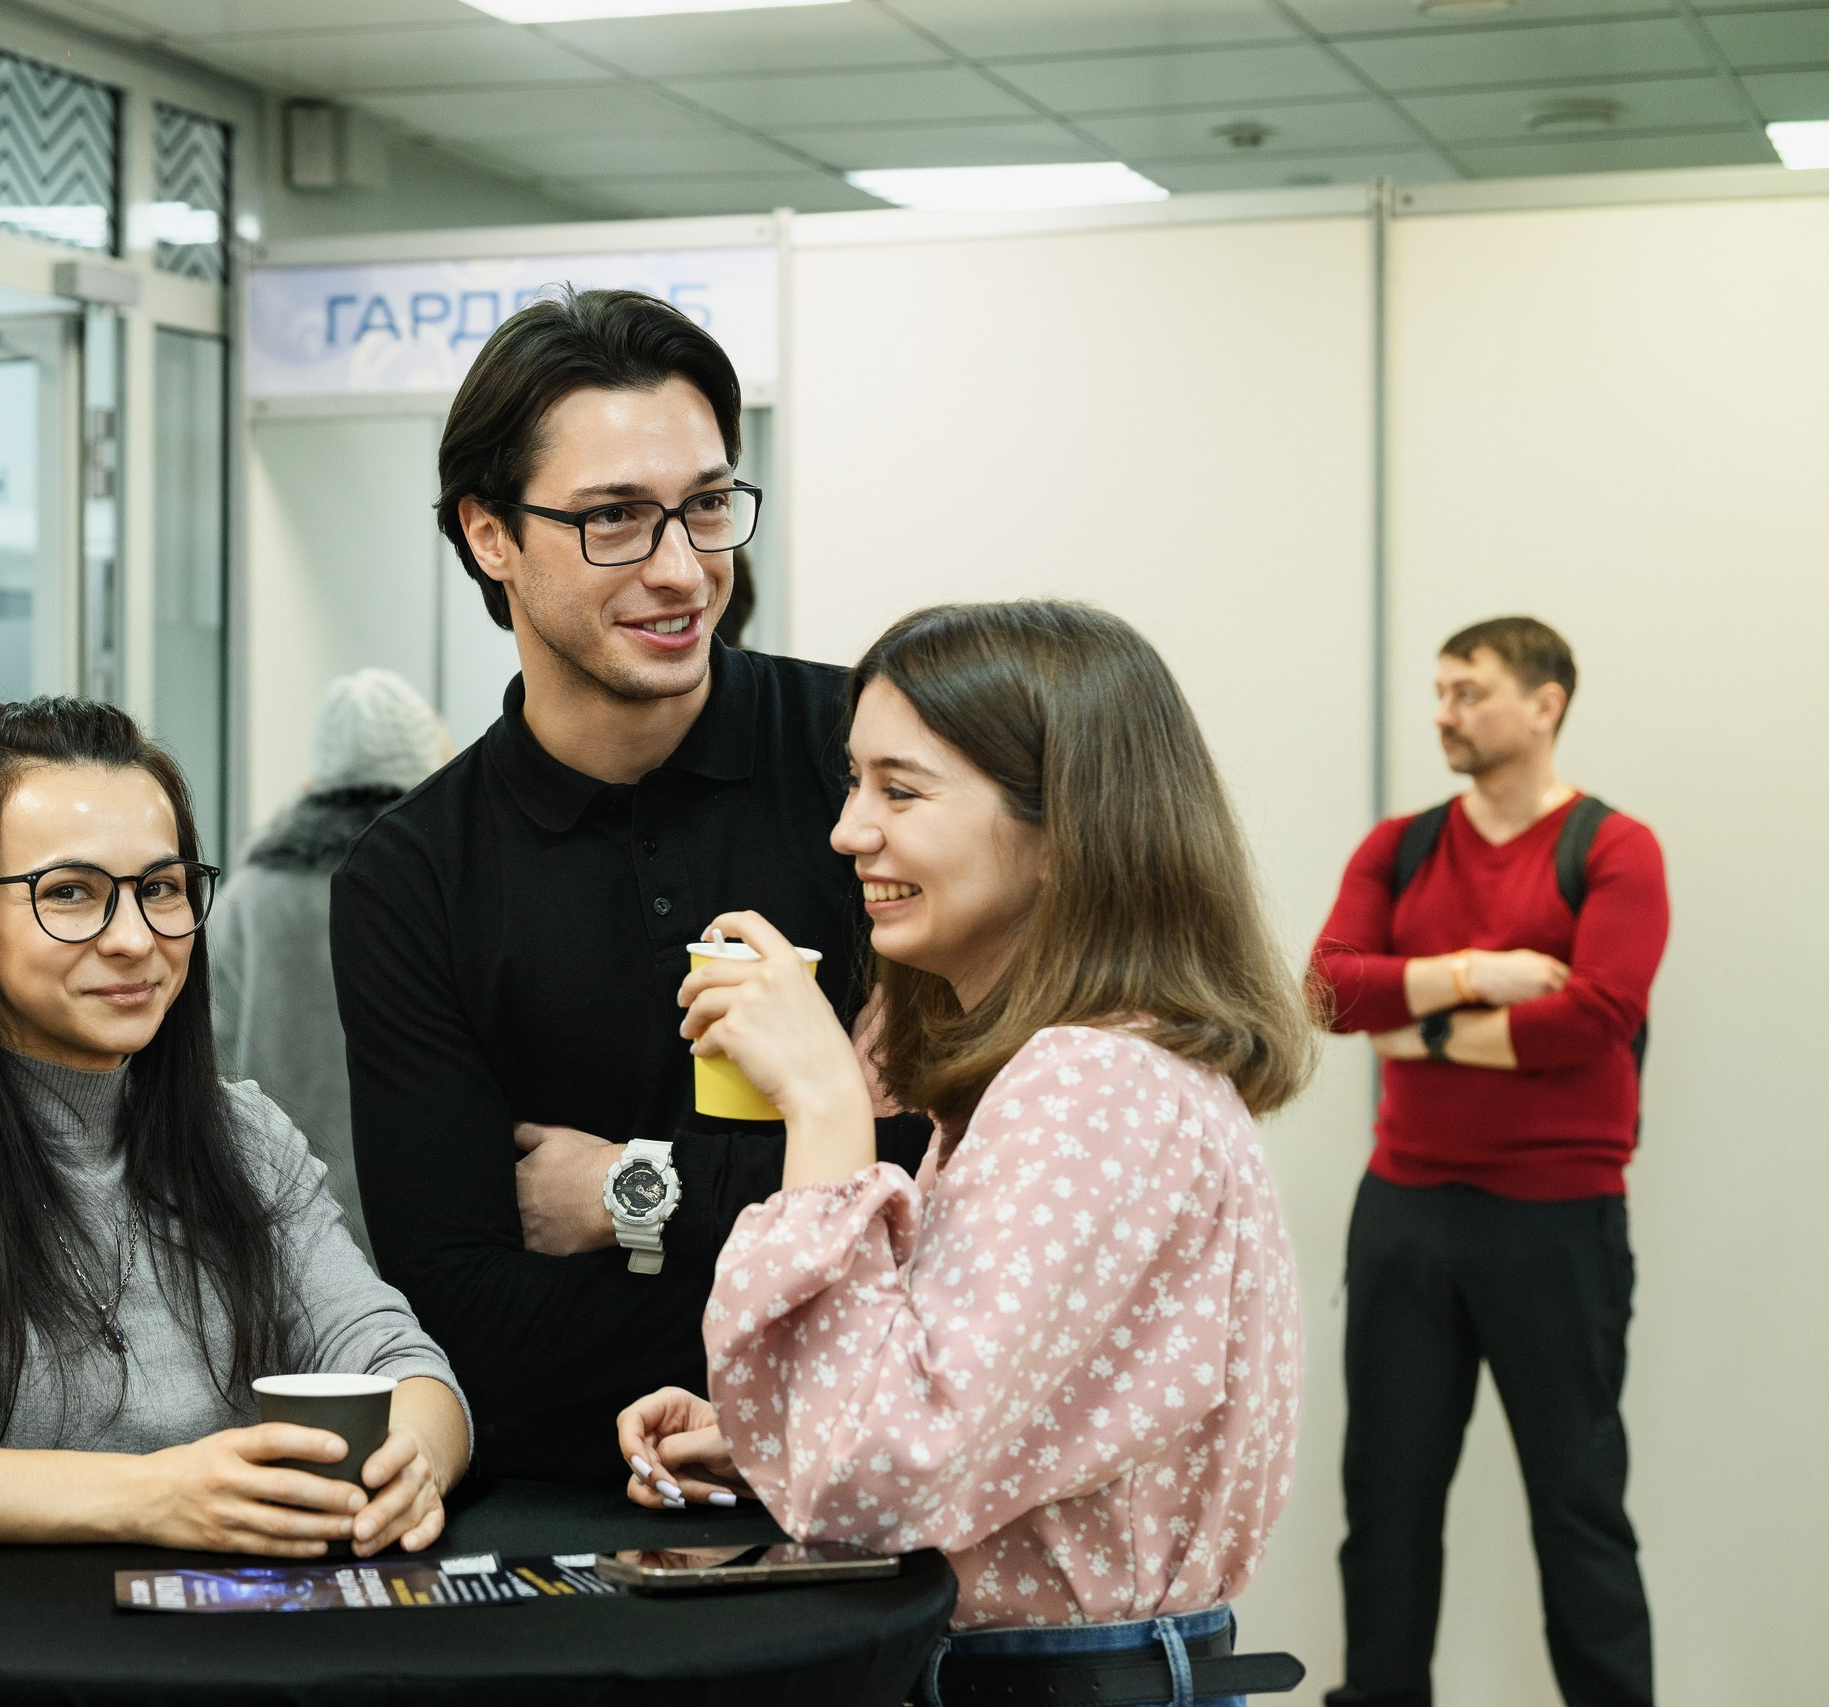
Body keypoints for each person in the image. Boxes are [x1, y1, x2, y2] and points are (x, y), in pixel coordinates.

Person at [617, 600, 1314, 1707]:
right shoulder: (1085, 1075)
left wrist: (825, 1107)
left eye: (900, 790)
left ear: (1063, 832)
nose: (850, 830)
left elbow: (873, 1479)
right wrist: (769, 1431)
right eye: (853, 784)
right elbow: (959, 1418)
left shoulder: (1090, 1085)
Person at [331, 287, 928, 1480]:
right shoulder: (413, 873)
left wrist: (627, 1191)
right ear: (490, 535)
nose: (681, 570)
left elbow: (966, 1202)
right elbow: (466, 1321)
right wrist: (826, 1231)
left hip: (877, 1507)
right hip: (565, 1519)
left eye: (706, 507)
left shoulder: (867, 759)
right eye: (614, 519)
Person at [0, 697, 470, 1553]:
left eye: (160, 888)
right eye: (69, 892)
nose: (136, 938)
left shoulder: (245, 1136)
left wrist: (413, 1462)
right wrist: (145, 1495)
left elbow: (404, 1364)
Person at [1311, 617, 1665, 1707]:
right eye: (1439, 689)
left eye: (1469, 691)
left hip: (1553, 1222)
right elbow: (1331, 991)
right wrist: (1477, 971)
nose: (1443, 712)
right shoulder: (1399, 845)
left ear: (1544, 704)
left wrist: (1411, 1014)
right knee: (1388, 1508)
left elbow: (1597, 1016)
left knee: (1577, 1508)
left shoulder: (1611, 848)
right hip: (1405, 1215)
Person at [211, 669, 451, 1257]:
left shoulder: (252, 892)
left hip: (286, 1214)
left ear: (316, 780)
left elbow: (209, 1052)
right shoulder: (452, 879)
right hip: (442, 1214)